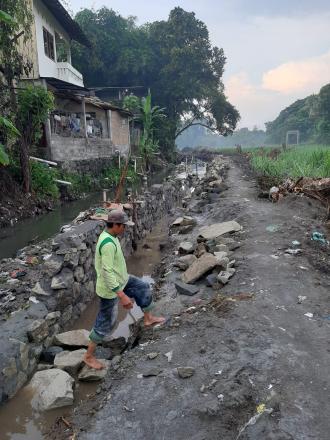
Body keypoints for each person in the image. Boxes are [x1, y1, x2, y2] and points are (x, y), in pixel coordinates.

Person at [84, 209, 165, 369]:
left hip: (122, 279)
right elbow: (106, 272)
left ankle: (148, 319)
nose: (125, 229)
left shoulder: (112, 236)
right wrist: (121, 295)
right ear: (115, 225)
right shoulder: (107, 243)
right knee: (107, 321)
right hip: (110, 288)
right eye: (123, 226)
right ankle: (88, 356)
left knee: (142, 287)